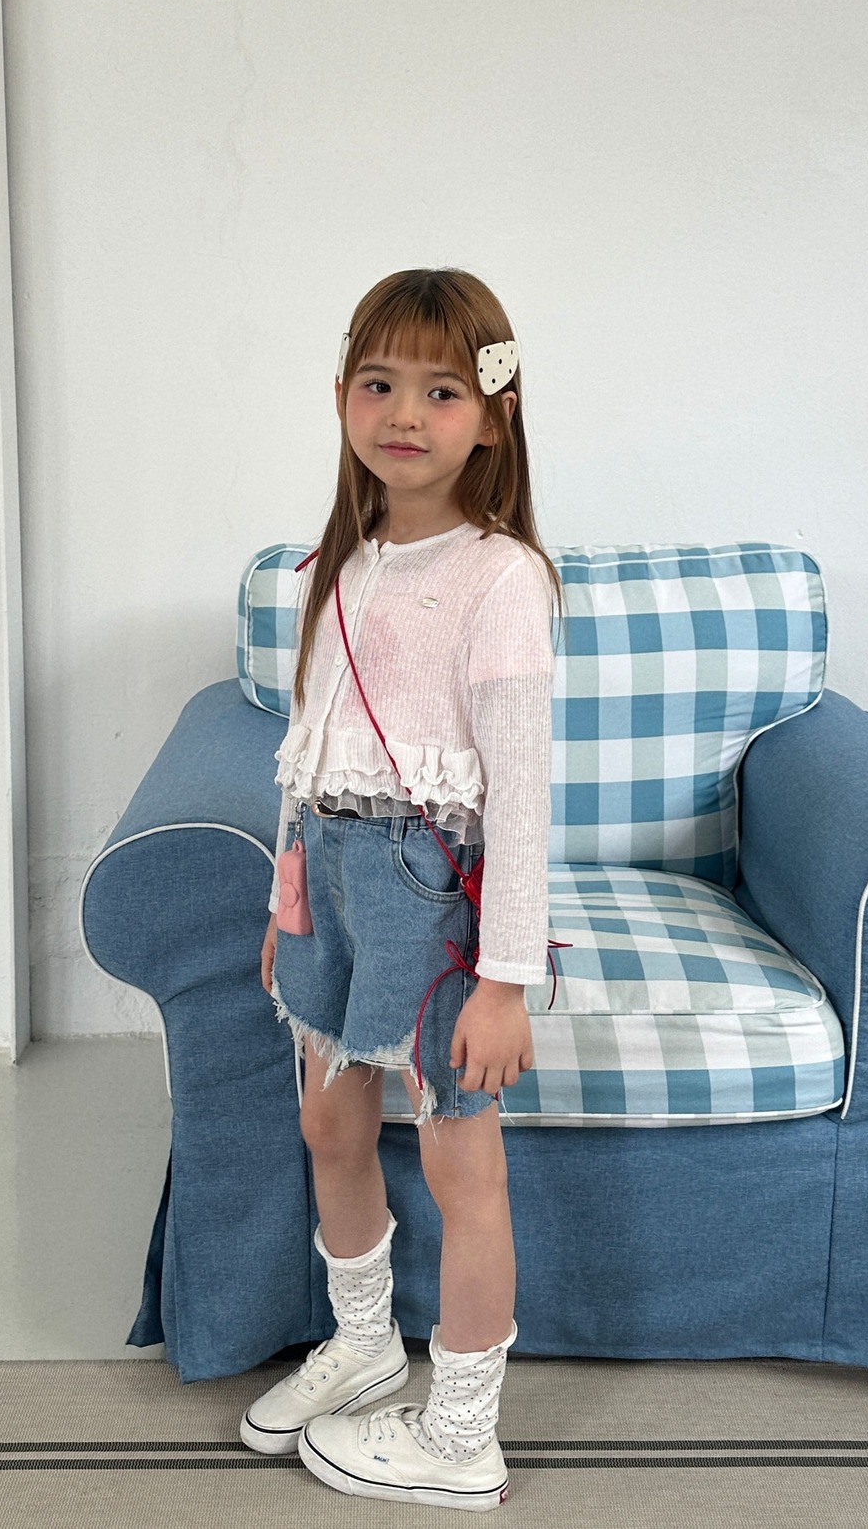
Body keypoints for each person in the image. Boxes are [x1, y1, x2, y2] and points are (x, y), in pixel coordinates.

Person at [240, 267, 564, 1510]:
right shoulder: (339, 563)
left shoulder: (499, 579)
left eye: (440, 391)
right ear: (340, 397)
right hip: (327, 885)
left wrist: (504, 980)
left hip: (428, 902)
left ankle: (462, 1433)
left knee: (460, 1168)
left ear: (492, 416)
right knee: (329, 1126)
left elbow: (519, 799)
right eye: (378, 385)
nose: (404, 415)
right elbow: (307, 750)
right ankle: (366, 1344)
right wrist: (285, 911)